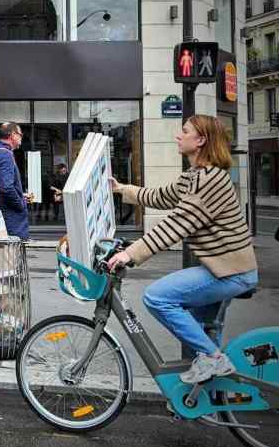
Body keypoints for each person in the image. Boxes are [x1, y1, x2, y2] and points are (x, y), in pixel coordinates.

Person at [107, 115, 258, 385]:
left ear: (200, 141)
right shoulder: (196, 176)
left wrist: (130, 253)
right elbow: (161, 196)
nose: (179, 135)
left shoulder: (208, 180)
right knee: (198, 329)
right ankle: (207, 393)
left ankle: (213, 359)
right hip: (224, 268)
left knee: (157, 297)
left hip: (230, 272)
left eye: (185, 131)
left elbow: (178, 224)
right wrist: (122, 189)